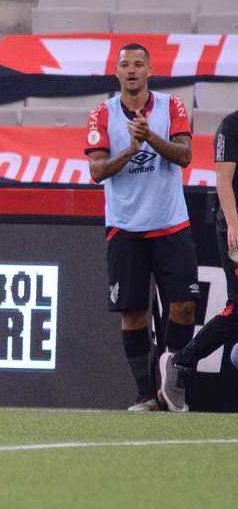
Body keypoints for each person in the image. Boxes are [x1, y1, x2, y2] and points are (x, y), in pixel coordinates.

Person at [84, 43, 199, 411]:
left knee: (183, 307)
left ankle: (171, 380)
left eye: (138, 64)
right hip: (125, 227)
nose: (131, 70)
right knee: (133, 313)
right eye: (124, 65)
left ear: (149, 70)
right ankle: (146, 393)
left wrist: (150, 137)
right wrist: (131, 150)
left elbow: (184, 156)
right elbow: (97, 171)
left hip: (170, 223)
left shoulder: (172, 107)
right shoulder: (101, 113)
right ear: (116, 73)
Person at [158, 109, 238, 411]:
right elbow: (223, 180)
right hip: (234, 229)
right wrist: (233, 223)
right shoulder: (231, 126)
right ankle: (181, 361)